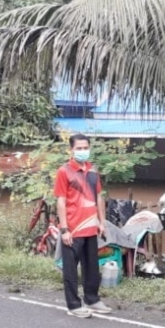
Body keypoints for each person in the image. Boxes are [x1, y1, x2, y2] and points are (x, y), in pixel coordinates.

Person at [54, 134, 112, 318]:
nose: (82, 151)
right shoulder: (64, 171)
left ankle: (92, 299)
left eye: (85, 147)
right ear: (71, 150)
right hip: (73, 229)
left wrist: (102, 222)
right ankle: (73, 305)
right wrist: (64, 229)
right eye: (78, 148)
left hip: (91, 227)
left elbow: (99, 197)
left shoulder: (93, 171)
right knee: (71, 269)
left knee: (92, 267)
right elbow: (61, 201)